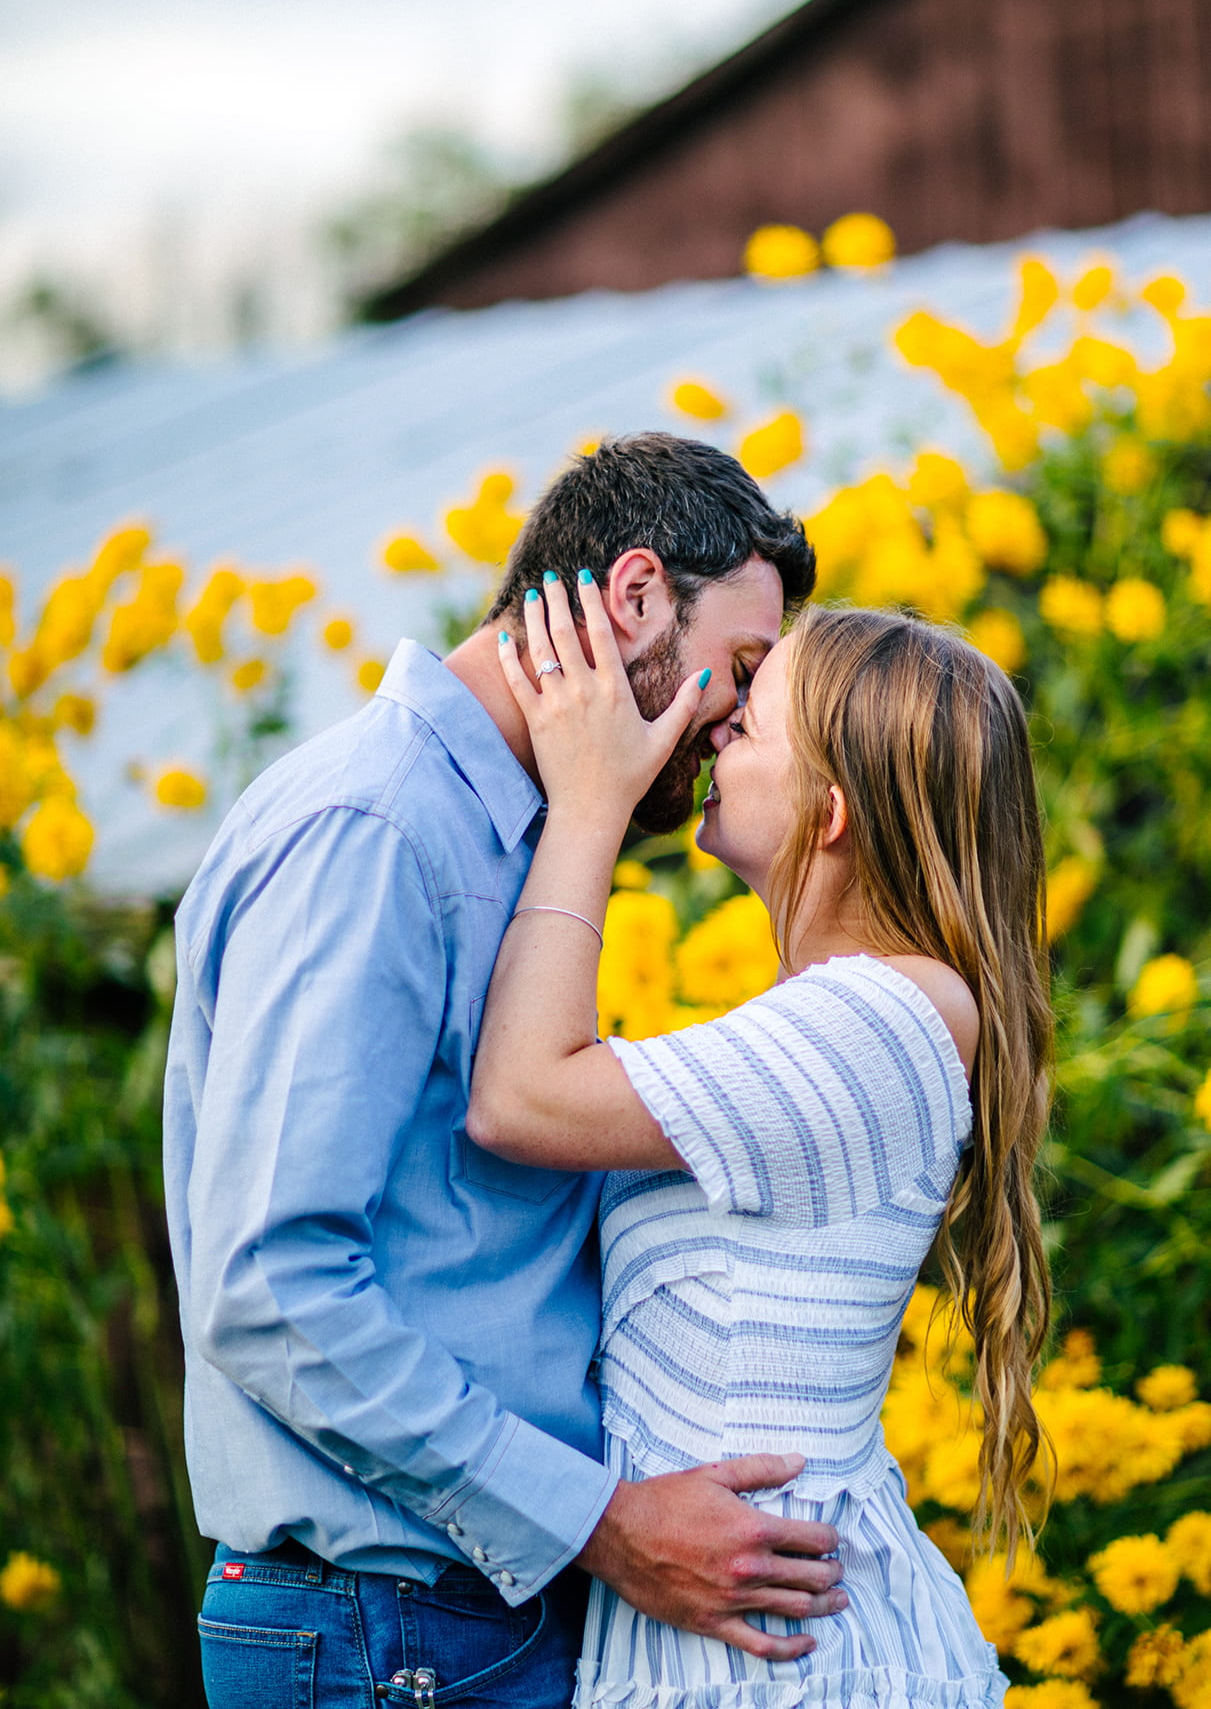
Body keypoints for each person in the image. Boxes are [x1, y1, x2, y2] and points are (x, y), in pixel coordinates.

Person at [162, 432, 850, 1709]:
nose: (735, 722)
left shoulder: (531, 837)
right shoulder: (374, 829)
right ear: (633, 595)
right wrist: (597, 1519)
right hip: (388, 1628)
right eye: (739, 671)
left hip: (457, 1619)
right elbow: (271, 1285)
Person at [467, 582, 1054, 1708]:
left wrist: (589, 804)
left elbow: (520, 1096)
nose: (705, 734)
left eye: (740, 726)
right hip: (731, 1624)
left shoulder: (886, 1019)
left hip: (781, 1656)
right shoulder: (836, 1017)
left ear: (827, 810)